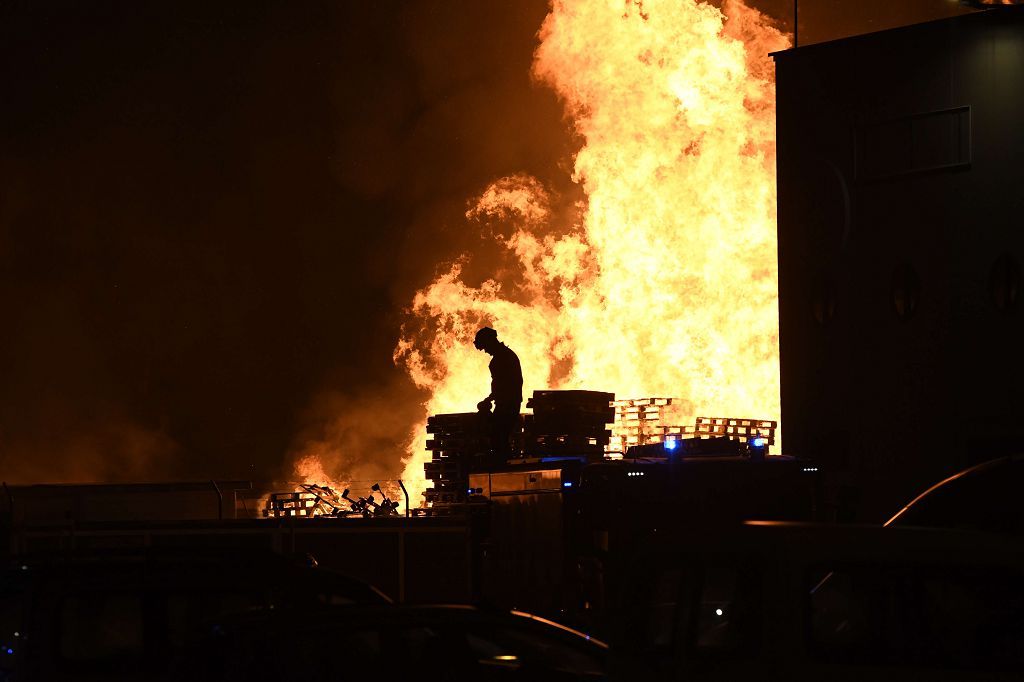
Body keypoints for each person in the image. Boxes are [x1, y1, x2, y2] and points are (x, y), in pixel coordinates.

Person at [473, 327, 523, 459]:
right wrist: (491, 398)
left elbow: (506, 384)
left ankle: (503, 463)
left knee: (498, 436)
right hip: (509, 403)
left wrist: (491, 399)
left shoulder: (501, 359)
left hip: (507, 404)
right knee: (499, 435)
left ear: (490, 341)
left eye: (485, 347)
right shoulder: (506, 356)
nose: (485, 351)